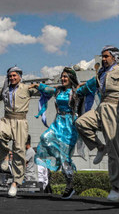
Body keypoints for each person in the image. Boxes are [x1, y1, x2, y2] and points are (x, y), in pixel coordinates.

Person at [75, 46, 119, 201]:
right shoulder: (101, 72)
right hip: (102, 107)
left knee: (115, 150)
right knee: (81, 123)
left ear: (114, 57)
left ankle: (116, 187)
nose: (103, 59)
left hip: (117, 109)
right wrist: (80, 87)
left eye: (106, 56)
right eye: (102, 56)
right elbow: (92, 84)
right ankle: (100, 147)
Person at [0, 66, 50, 197]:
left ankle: (15, 183)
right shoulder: (5, 91)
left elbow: (48, 91)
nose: (12, 78)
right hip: (7, 119)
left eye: (14, 76)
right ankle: (5, 156)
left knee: (19, 151)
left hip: (21, 121)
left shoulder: (27, 89)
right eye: (10, 76)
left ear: (20, 76)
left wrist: (40, 86)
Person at [35, 67, 83, 199]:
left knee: (65, 159)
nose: (63, 79)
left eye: (65, 77)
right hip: (57, 123)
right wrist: (37, 86)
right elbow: (46, 89)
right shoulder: (57, 90)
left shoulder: (76, 91)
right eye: (62, 77)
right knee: (45, 137)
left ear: (71, 78)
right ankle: (57, 159)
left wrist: (90, 82)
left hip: (70, 125)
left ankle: (69, 186)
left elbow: (88, 88)